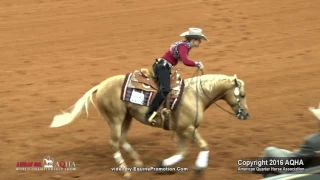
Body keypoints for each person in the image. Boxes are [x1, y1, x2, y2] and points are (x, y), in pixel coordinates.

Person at [144, 27, 208, 123]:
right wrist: (197, 63)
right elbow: (186, 61)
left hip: (163, 67)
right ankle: (149, 114)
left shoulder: (184, 45)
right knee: (165, 89)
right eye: (199, 40)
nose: (200, 42)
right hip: (162, 67)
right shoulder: (184, 46)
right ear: (193, 40)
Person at [250, 102, 320, 178]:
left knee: (270, 152)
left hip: (303, 176)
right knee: (271, 170)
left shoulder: (313, 141)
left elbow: (292, 163)